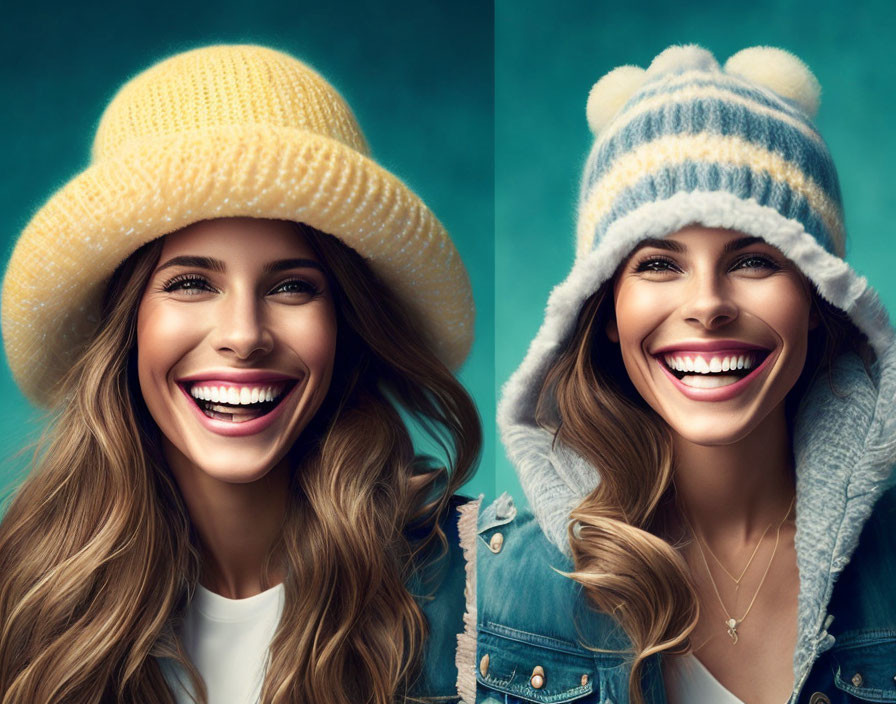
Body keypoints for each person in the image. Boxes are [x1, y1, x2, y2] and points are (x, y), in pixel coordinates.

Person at [0, 45, 481, 704]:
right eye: (193, 282)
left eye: (291, 287)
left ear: (345, 323)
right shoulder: (20, 600)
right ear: (128, 323)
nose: (243, 335)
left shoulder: (482, 584)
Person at [472, 45, 895, 704]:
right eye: (658, 264)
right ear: (605, 308)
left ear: (817, 298)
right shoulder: (493, 592)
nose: (706, 305)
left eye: (754, 260)